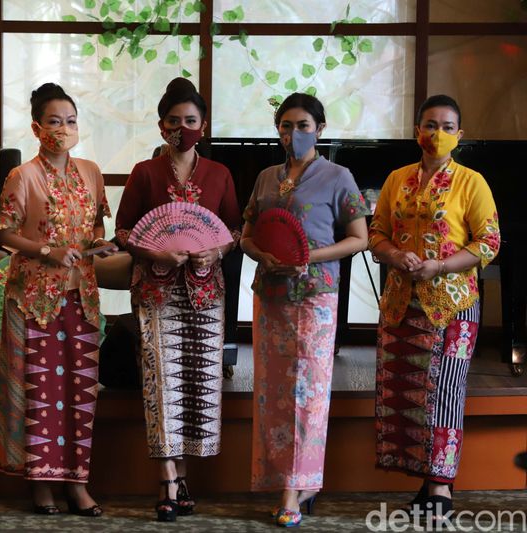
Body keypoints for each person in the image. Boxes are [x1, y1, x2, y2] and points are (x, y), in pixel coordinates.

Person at [240, 93, 369, 528]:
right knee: (272, 390)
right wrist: (260, 252)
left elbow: (360, 238)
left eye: (302, 125)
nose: (293, 133)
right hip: (271, 295)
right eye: (285, 125)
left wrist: (309, 256)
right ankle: (283, 479)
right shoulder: (264, 177)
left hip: (315, 295)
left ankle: (296, 487)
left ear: (320, 128)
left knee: (307, 392)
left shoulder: (338, 176)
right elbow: (246, 234)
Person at [115, 77, 241, 522]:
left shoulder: (220, 174)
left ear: (203, 126)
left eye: (190, 120)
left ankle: (182, 475)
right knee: (161, 382)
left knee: (196, 383)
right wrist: (155, 251)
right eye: (173, 121)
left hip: (206, 291)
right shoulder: (144, 173)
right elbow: (125, 230)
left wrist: (218, 248)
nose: (182, 128)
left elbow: (234, 229)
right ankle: (168, 478)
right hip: (155, 291)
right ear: (161, 125)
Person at [369, 94, 500, 520]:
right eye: (429, 125)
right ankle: (427, 477)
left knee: (444, 393)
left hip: (452, 306)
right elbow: (377, 234)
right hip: (401, 304)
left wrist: (440, 265)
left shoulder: (471, 182)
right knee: (407, 393)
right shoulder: (396, 179)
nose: (436, 134)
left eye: (446, 127)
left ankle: (441, 485)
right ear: (416, 131)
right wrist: (394, 255)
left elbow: (489, 243)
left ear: (458, 136)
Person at [0, 83, 112, 517]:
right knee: (41, 389)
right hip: (34, 298)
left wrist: (101, 244)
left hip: (83, 296)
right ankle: (41, 485)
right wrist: (47, 251)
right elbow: (3, 233)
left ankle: (78, 485)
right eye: (55, 122)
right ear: (37, 128)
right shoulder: (22, 176)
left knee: (80, 391)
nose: (64, 129)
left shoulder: (92, 171)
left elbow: (96, 224)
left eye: (71, 121)